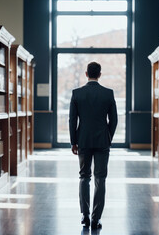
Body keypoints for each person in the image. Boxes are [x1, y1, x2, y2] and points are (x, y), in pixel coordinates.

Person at [69, 62, 118, 230]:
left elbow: (72, 120)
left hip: (83, 140)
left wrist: (73, 141)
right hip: (102, 141)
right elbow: (114, 120)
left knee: (84, 177)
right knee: (100, 179)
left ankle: (85, 215)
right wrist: (108, 136)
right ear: (100, 74)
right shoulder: (108, 94)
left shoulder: (77, 94)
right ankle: (96, 219)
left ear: (86, 74)